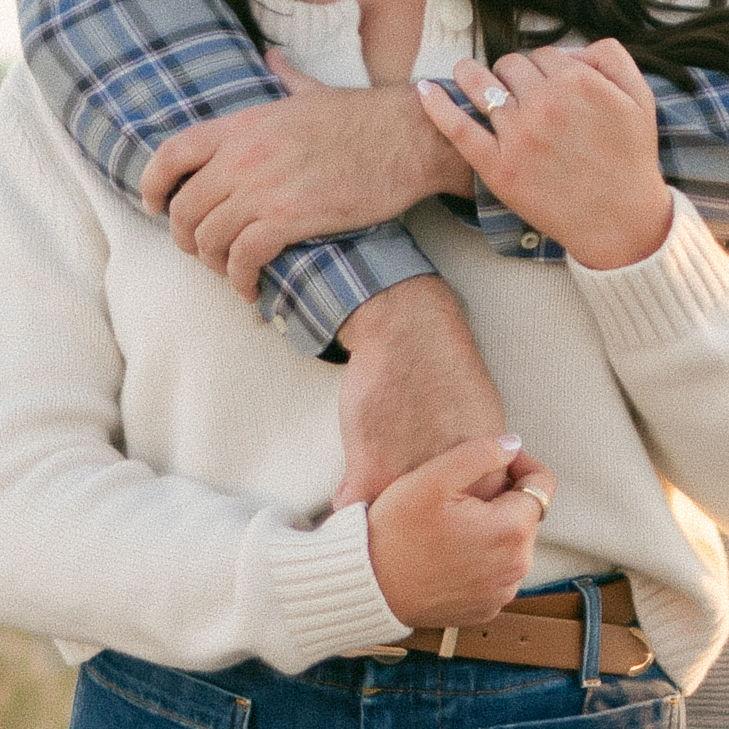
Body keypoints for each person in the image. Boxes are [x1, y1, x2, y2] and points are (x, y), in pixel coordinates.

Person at [1, 2, 728, 729]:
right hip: (185, 702)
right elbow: (19, 491)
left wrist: (628, 230)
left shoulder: (674, 59)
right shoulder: (94, 67)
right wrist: (343, 579)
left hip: (567, 697)